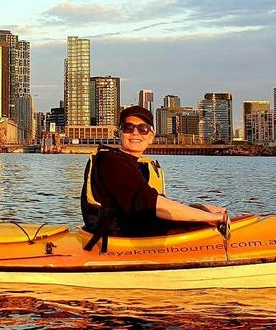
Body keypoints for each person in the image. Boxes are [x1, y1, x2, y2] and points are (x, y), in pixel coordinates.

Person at [80, 105, 226, 246]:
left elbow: (159, 204)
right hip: (115, 238)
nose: (135, 133)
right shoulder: (111, 161)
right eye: (128, 128)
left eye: (143, 129)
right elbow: (148, 203)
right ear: (119, 133)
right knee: (207, 225)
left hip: (139, 231)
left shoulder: (143, 165)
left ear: (151, 136)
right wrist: (211, 218)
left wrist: (201, 208)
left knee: (203, 215)